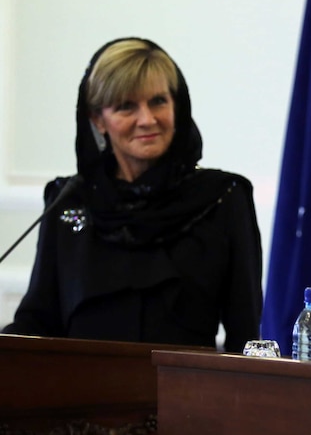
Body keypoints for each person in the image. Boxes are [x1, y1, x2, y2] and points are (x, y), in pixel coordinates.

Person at [3, 37, 263, 353]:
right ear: (98, 119)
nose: (147, 119)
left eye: (158, 101)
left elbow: (245, 333)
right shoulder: (69, 200)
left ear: (177, 106)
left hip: (186, 397)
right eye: (127, 106)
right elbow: (38, 320)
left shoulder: (224, 198)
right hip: (81, 395)